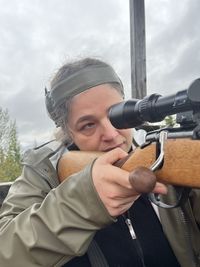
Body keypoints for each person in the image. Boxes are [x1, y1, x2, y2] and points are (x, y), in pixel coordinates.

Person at [0, 57, 199, 267]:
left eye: (117, 115)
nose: (111, 134)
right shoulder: (45, 172)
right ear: (68, 133)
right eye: (88, 125)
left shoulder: (163, 154)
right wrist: (84, 202)